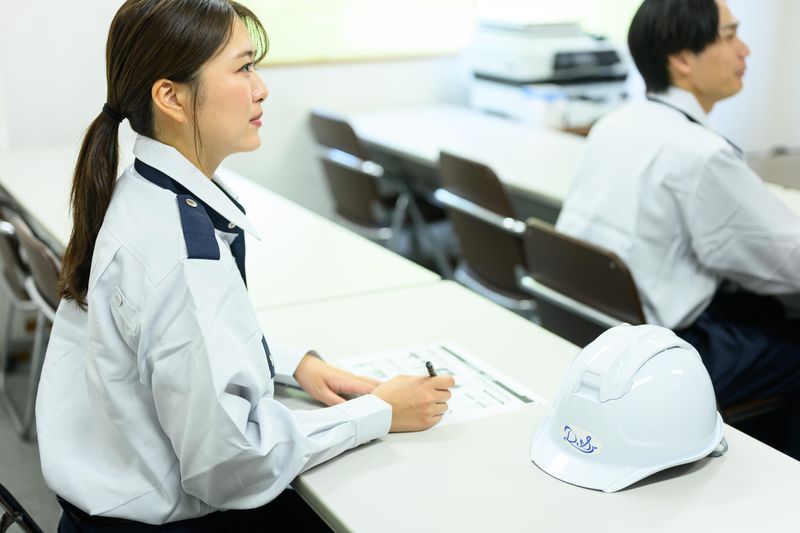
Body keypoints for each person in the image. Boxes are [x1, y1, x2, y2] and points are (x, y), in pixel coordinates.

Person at [35, 1, 455, 530]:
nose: (262, 89)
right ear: (171, 97)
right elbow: (233, 466)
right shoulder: (182, 256)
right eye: (243, 68)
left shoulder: (142, 192)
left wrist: (291, 365)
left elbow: (173, 344)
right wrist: (380, 412)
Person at [556, 0, 800, 454]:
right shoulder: (701, 154)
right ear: (683, 59)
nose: (745, 50)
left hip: (592, 335)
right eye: (729, 36)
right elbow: (788, 261)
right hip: (657, 362)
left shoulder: (616, 123)